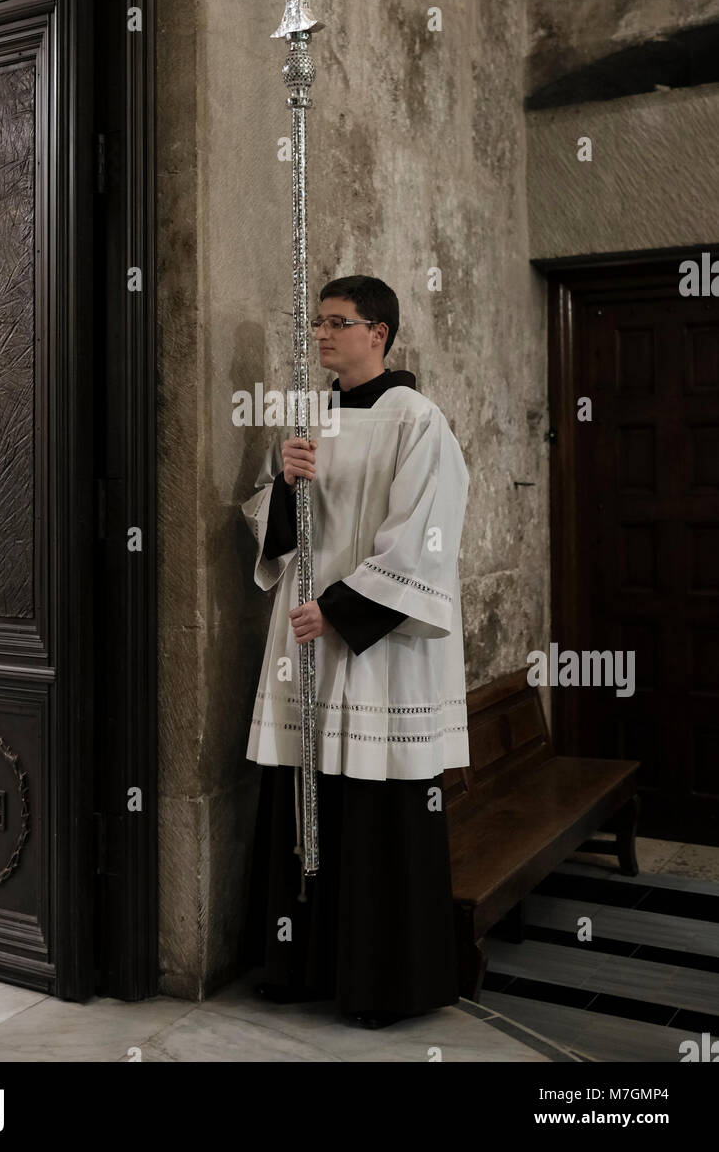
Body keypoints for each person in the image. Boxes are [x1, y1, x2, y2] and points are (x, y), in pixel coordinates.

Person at [239, 275, 471, 1027]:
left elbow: (425, 539)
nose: (322, 336)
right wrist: (284, 482)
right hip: (306, 643)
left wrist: (337, 612)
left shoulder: (419, 421)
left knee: (374, 809)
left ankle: (379, 983)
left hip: (374, 653)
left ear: (379, 332)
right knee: (306, 802)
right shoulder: (313, 423)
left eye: (337, 323)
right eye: (316, 324)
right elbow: (277, 531)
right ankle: (298, 967)